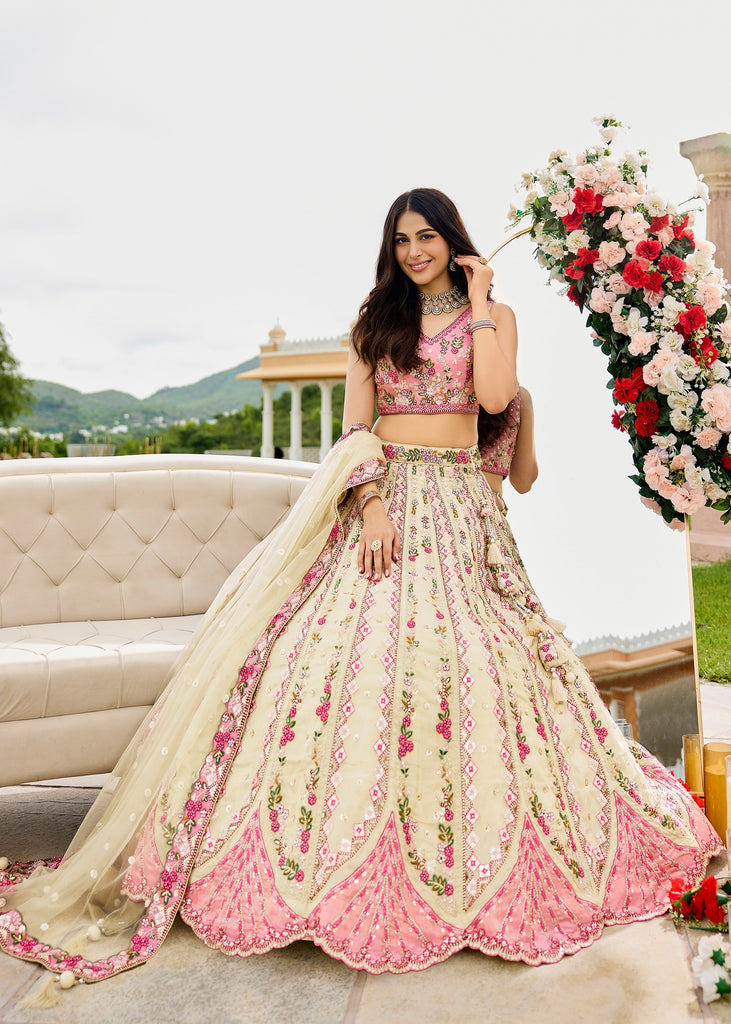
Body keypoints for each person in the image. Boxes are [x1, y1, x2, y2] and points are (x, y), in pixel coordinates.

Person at [0, 189, 721, 990]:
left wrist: (480, 304)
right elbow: (354, 429)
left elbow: (490, 401)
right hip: (383, 510)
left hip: (461, 512)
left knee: (475, 670)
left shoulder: (496, 316)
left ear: (453, 241)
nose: (414, 251)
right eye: (401, 239)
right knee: (344, 667)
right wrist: (371, 505)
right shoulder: (374, 322)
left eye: (427, 237)